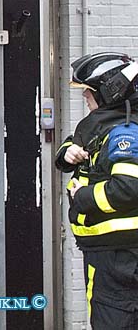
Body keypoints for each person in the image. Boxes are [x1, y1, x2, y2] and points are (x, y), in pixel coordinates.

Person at [55, 52, 138, 329]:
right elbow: (76, 144)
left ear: (109, 93)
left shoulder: (124, 132)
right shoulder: (107, 125)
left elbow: (127, 189)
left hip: (121, 259)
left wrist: (82, 196)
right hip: (111, 255)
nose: (84, 98)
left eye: (89, 92)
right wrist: (68, 153)